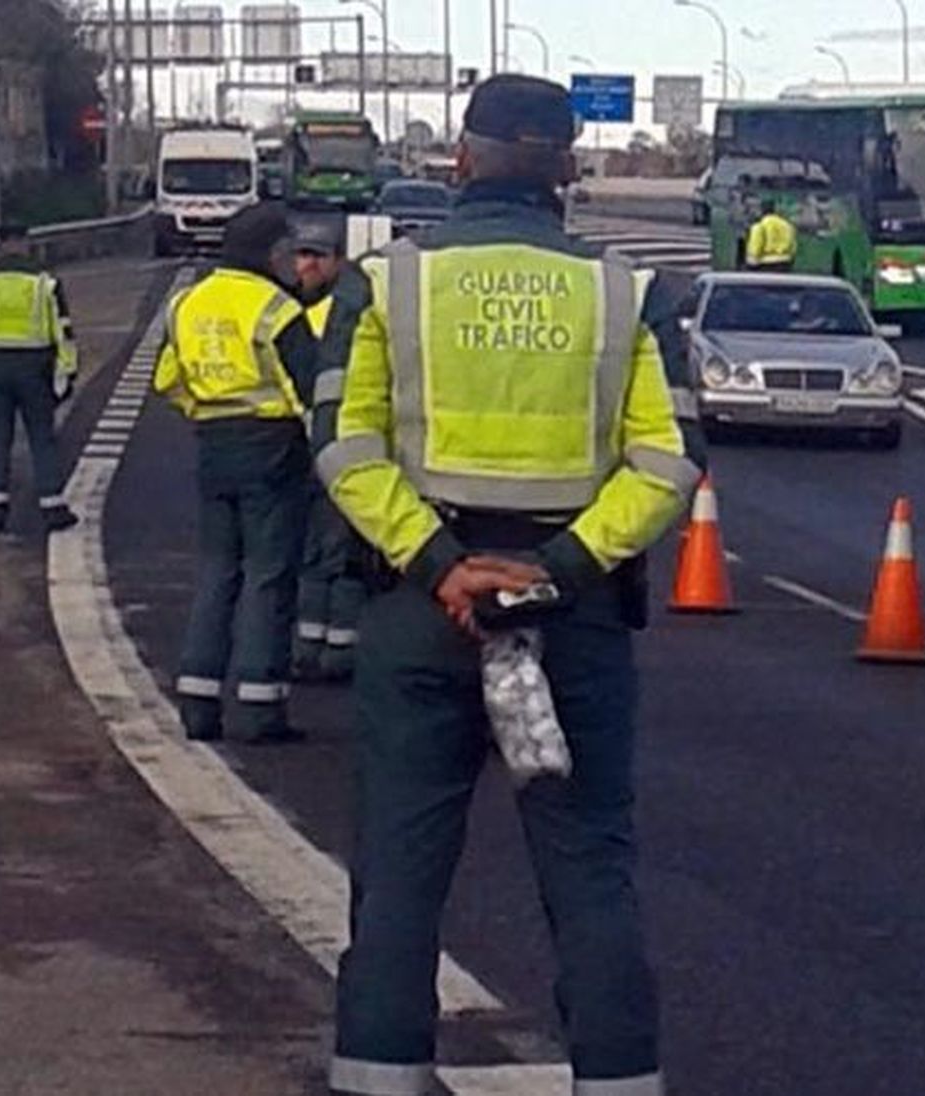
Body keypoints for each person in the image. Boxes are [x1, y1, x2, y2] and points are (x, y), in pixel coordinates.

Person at [311, 75, 703, 1096]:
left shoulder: (386, 282)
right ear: (567, 169)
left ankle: (375, 1076)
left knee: (398, 870)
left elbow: (342, 446)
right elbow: (669, 462)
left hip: (418, 611)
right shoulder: (626, 290)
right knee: (589, 870)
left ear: (462, 160)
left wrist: (439, 564)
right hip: (571, 621)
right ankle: (618, 1081)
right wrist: (557, 570)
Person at [153, 203, 322, 744]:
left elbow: (167, 380)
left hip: (213, 441)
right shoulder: (277, 309)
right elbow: (311, 393)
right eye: (289, 253)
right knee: (269, 575)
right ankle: (258, 707)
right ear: (270, 253)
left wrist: (208, 408)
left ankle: (199, 703)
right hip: (272, 445)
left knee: (218, 570)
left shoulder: (187, 303)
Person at [0, 221, 79, 533]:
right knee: (42, 437)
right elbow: (63, 332)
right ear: (26, 243)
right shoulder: (45, 283)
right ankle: (52, 506)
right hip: (35, 367)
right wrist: (66, 374)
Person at [290, 218, 366, 682]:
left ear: (337, 261)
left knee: (333, 551)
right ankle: (323, 644)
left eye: (318, 256)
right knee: (325, 551)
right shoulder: (304, 312)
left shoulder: (333, 315)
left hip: (336, 446)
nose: (308, 264)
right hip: (309, 447)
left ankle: (331, 648)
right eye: (303, 255)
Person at [745, 197, 797, 271]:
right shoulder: (786, 225)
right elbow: (793, 246)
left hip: (766, 263)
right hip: (785, 262)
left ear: (762, 210)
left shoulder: (760, 225)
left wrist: (751, 263)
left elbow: (755, 246)